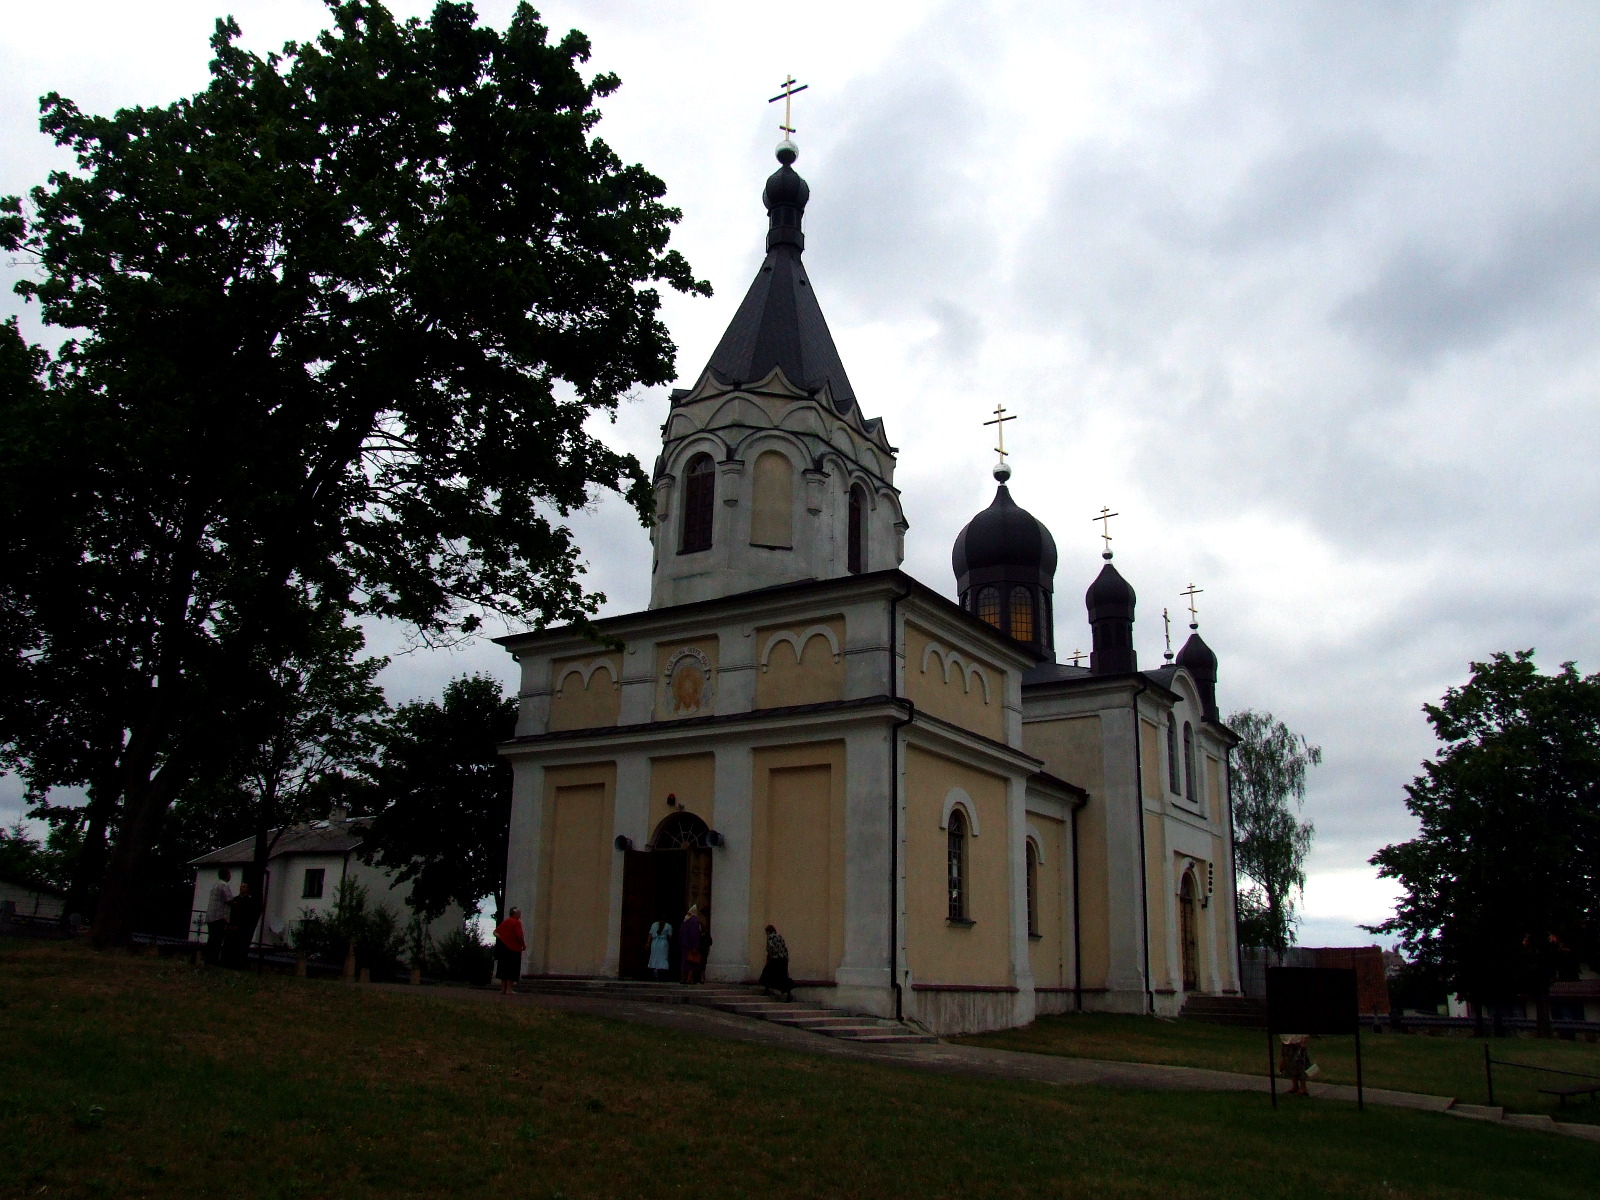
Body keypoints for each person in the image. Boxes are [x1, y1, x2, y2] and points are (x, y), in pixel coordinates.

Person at [223, 880, 259, 969]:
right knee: (230, 945)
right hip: (232, 926)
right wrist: (231, 924)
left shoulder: (249, 902)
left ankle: (238, 965)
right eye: (241, 886)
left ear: (247, 889)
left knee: (240, 946)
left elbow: (247, 916)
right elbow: (231, 913)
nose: (241, 888)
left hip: (242, 928)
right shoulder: (235, 899)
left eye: (244, 887)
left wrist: (239, 925)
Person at [204, 868, 234, 965]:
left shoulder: (215, 884)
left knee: (211, 938)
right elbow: (229, 900)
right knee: (217, 939)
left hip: (210, 915)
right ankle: (214, 960)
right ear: (226, 875)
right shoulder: (224, 885)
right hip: (219, 916)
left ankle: (208, 959)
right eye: (229, 874)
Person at [494, 907, 525, 995]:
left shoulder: (506, 921)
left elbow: (495, 932)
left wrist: (502, 938)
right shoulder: (517, 922)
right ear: (515, 914)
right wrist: (523, 945)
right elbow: (519, 936)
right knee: (512, 969)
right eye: (519, 913)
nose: (520, 915)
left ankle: (503, 988)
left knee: (503, 968)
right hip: (514, 949)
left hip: (504, 948)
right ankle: (509, 989)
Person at [759, 924, 793, 1002]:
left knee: (766, 973)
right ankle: (789, 994)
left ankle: (767, 990)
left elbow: (771, 948)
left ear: (769, 931)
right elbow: (784, 947)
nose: (766, 934)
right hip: (783, 959)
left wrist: (770, 957)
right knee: (784, 977)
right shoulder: (780, 937)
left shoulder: (770, 937)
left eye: (766, 932)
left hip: (775, 959)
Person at [680, 905, 703, 984]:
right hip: (691, 944)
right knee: (691, 961)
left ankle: (683, 978)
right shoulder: (694, 920)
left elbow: (681, 933)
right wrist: (695, 946)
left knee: (684, 961)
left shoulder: (685, 920)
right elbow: (694, 934)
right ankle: (689, 978)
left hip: (684, 944)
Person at [647, 917, 673, 982]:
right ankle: (661, 973)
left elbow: (650, 934)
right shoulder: (668, 925)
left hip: (655, 943)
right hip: (663, 943)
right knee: (663, 958)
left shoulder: (654, 925)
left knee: (655, 957)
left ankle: (655, 971)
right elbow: (670, 936)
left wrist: (648, 943)